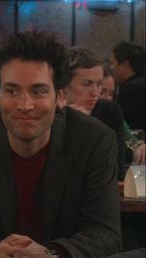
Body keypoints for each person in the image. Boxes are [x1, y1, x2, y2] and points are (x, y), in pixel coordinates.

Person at [0, 31, 121, 258]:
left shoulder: (94, 140)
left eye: (38, 91)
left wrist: (51, 254)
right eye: (12, 91)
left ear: (60, 97)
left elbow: (105, 233)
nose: (25, 105)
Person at [60, 46, 126, 181]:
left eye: (99, 84)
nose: (95, 93)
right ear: (64, 85)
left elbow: (116, 171)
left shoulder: (109, 110)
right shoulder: (49, 113)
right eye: (87, 84)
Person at [100, 65, 145, 165]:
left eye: (111, 94)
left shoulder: (112, 114)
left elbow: (133, 143)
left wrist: (141, 148)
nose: (107, 98)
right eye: (102, 92)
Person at [110, 41, 145, 132]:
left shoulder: (132, 89)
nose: (110, 68)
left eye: (112, 63)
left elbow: (112, 117)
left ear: (125, 64)